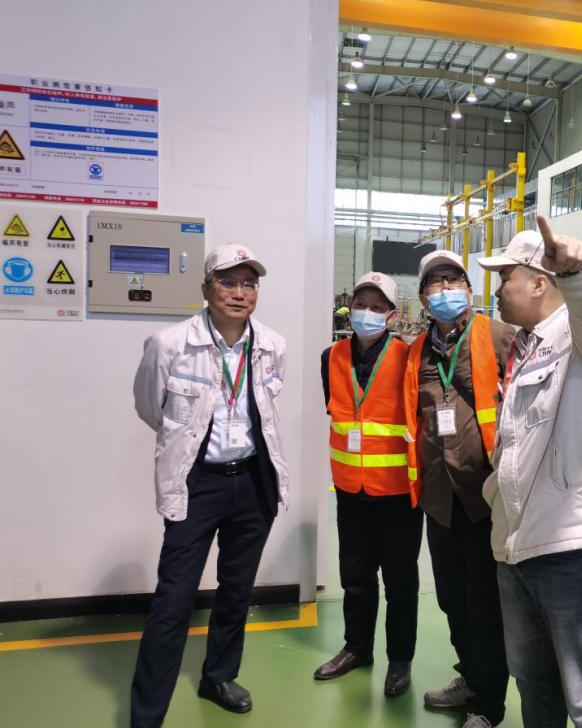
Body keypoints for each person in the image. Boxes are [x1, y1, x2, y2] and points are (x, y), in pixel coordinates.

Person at [130, 244, 288, 727]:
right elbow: (150, 408)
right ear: (206, 287)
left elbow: (266, 412)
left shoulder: (272, 346)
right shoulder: (170, 344)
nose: (239, 293)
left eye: (249, 283)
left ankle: (218, 676)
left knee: (236, 590)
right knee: (173, 600)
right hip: (197, 483)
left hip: (253, 481)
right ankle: (147, 714)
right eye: (227, 281)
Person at [478, 216, 582, 728]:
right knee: (534, 685)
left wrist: (581, 272)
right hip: (515, 545)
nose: (498, 290)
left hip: (569, 549)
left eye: (506, 278)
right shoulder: (525, 346)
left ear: (540, 283)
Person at [404, 248, 516, 728]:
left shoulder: (499, 335)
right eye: (436, 283)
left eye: (454, 280)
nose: (446, 289)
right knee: (451, 598)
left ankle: (488, 703)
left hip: (485, 497)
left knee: (484, 604)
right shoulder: (416, 352)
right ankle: (470, 676)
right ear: (423, 297)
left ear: (470, 290)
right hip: (440, 498)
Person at [314, 271, 422, 697]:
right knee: (355, 575)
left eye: (378, 307)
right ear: (350, 308)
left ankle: (400, 658)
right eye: (361, 304)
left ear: (392, 316)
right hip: (349, 489)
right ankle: (357, 647)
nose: (367, 313)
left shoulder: (409, 358)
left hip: (397, 492)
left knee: (400, 581)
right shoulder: (331, 356)